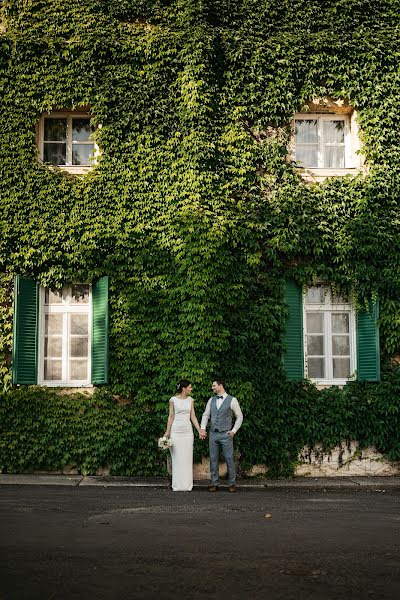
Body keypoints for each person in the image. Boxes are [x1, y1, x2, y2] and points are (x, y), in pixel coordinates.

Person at [200, 378, 243, 492]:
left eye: (214, 385)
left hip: (226, 434)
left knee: (229, 458)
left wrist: (234, 430)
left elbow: (239, 416)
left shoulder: (232, 400)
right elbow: (205, 415)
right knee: (213, 459)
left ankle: (232, 483)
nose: (212, 387)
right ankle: (214, 483)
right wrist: (203, 429)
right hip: (213, 434)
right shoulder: (211, 400)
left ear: (220, 386)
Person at [164, 380, 202, 491]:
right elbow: (171, 416)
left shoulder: (191, 400)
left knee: (187, 458)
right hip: (176, 431)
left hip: (187, 432)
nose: (191, 389)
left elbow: (193, 416)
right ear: (183, 388)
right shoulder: (173, 400)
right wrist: (167, 431)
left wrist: (199, 429)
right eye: (190, 387)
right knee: (177, 458)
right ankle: (177, 485)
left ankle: (187, 485)